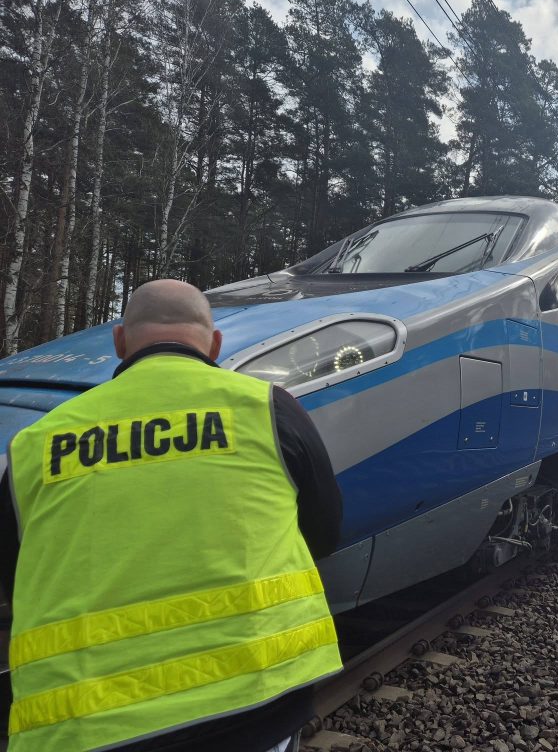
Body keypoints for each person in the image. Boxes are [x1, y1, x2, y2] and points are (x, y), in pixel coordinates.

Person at [0, 280, 343, 752]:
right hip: (248, 699)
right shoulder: (265, 408)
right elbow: (324, 531)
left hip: (77, 721)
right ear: (215, 343)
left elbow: (14, 579)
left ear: (120, 341)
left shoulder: (35, 443)